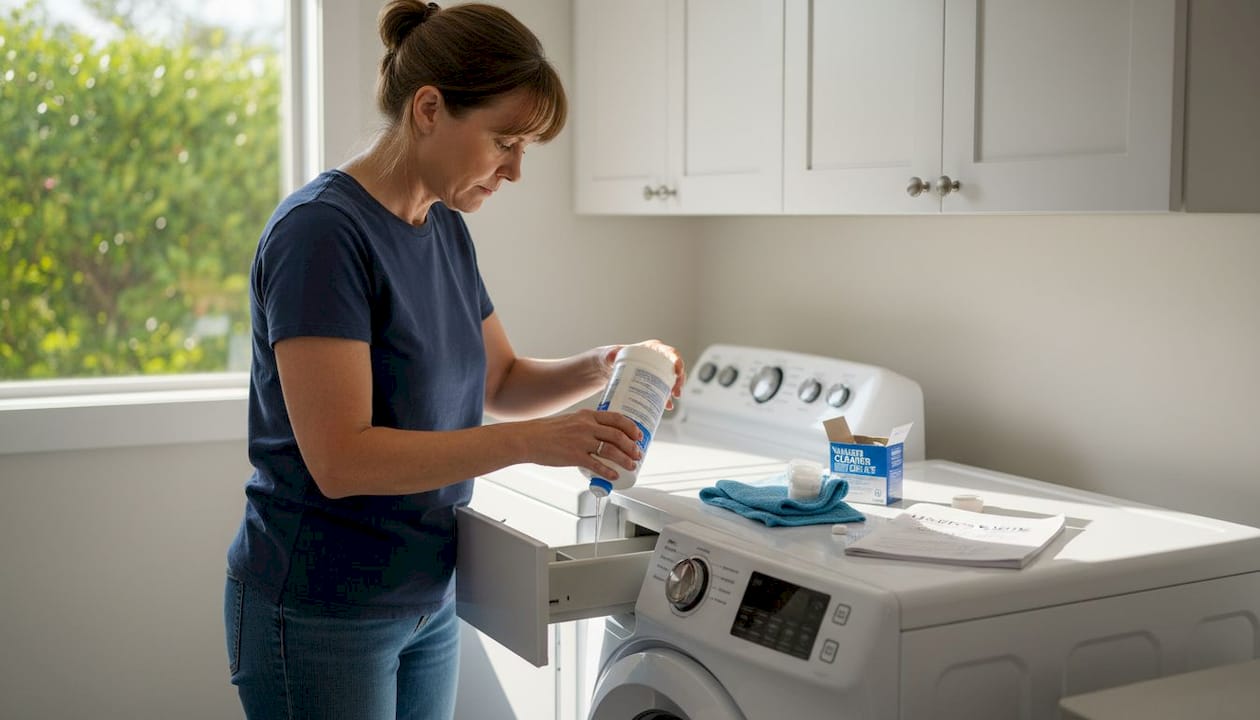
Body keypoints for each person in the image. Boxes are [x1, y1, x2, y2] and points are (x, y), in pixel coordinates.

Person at [222, 2, 686, 718]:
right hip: (322, 608)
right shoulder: (321, 235)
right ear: (430, 109)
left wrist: (603, 363)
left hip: (426, 597)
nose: (515, 170)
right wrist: (535, 444)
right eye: (505, 140)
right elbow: (341, 461)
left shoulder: (441, 227)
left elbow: (500, 380)